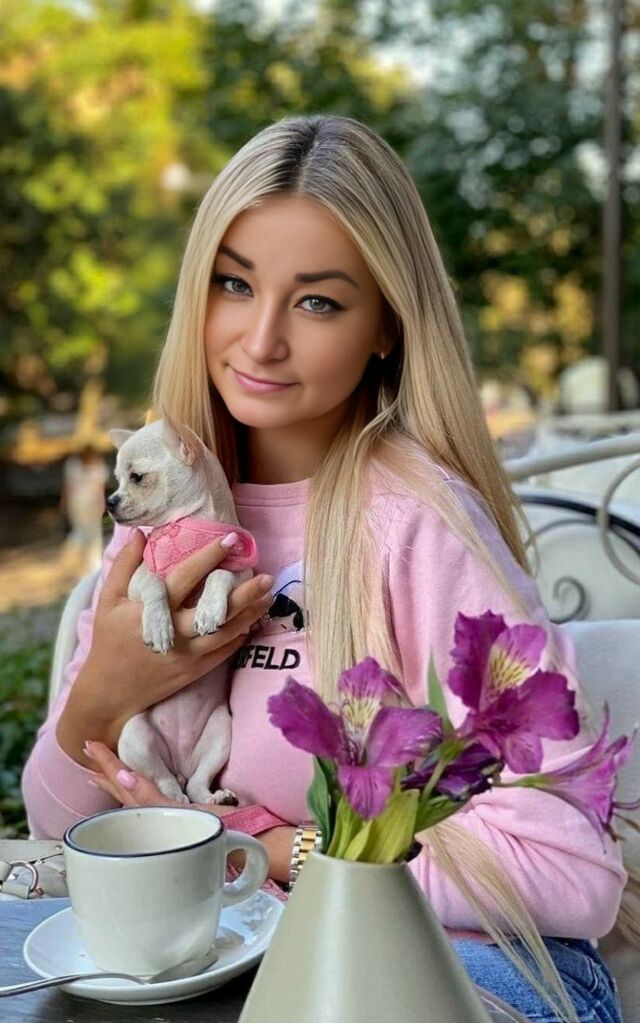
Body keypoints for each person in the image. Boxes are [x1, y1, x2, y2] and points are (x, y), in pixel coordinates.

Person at [22, 116, 626, 1022]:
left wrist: (274, 852)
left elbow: (572, 871)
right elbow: (58, 828)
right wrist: (106, 689)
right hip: (232, 960)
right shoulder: (162, 509)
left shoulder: (418, 523)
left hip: (463, 970)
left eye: (317, 302)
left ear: (386, 326)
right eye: (234, 284)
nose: (261, 339)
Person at [59, 442, 109, 576]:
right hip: (92, 503)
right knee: (93, 534)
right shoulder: (98, 466)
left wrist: (64, 503)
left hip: (77, 502)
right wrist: (103, 504)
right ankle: (92, 564)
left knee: (81, 531)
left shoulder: (73, 465)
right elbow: (100, 488)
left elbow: (68, 487)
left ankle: (73, 557)